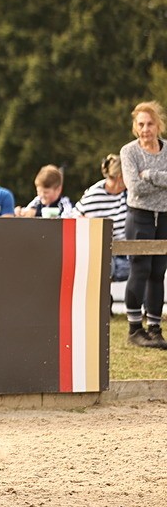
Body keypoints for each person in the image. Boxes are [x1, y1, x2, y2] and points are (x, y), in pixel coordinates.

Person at [120, 101, 167, 349]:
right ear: (135, 127)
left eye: (150, 123)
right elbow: (133, 187)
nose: (146, 129)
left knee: (159, 272)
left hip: (165, 215)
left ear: (158, 124)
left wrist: (149, 175)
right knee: (140, 269)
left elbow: (142, 182)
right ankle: (134, 328)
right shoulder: (129, 152)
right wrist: (162, 182)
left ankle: (155, 328)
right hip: (139, 215)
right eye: (141, 124)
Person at [73, 154, 129, 282]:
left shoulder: (129, 195)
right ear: (120, 178)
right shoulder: (94, 194)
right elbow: (74, 214)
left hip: (126, 251)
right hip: (102, 251)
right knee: (105, 266)